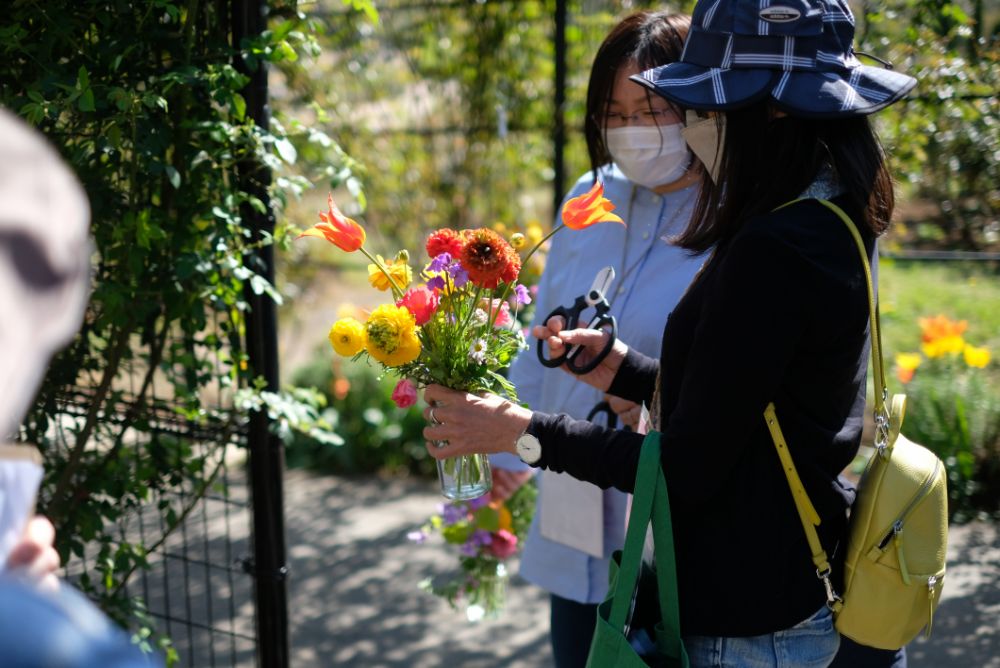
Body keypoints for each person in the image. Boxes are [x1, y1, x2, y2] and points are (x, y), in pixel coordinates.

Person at [422, 0, 917, 665]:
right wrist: (627, 370)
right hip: (792, 580)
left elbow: (685, 467)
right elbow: (750, 406)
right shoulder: (826, 219)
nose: (689, 127)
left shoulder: (774, 248)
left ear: (768, 112)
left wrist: (520, 434)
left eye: (701, 109)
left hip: (757, 623)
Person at [488, 10, 704, 667]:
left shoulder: (728, 217)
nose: (632, 130)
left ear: (695, 99)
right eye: (615, 112)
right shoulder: (589, 197)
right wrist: (507, 452)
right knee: (578, 647)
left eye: (650, 108)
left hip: (674, 518)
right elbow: (540, 342)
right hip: (576, 495)